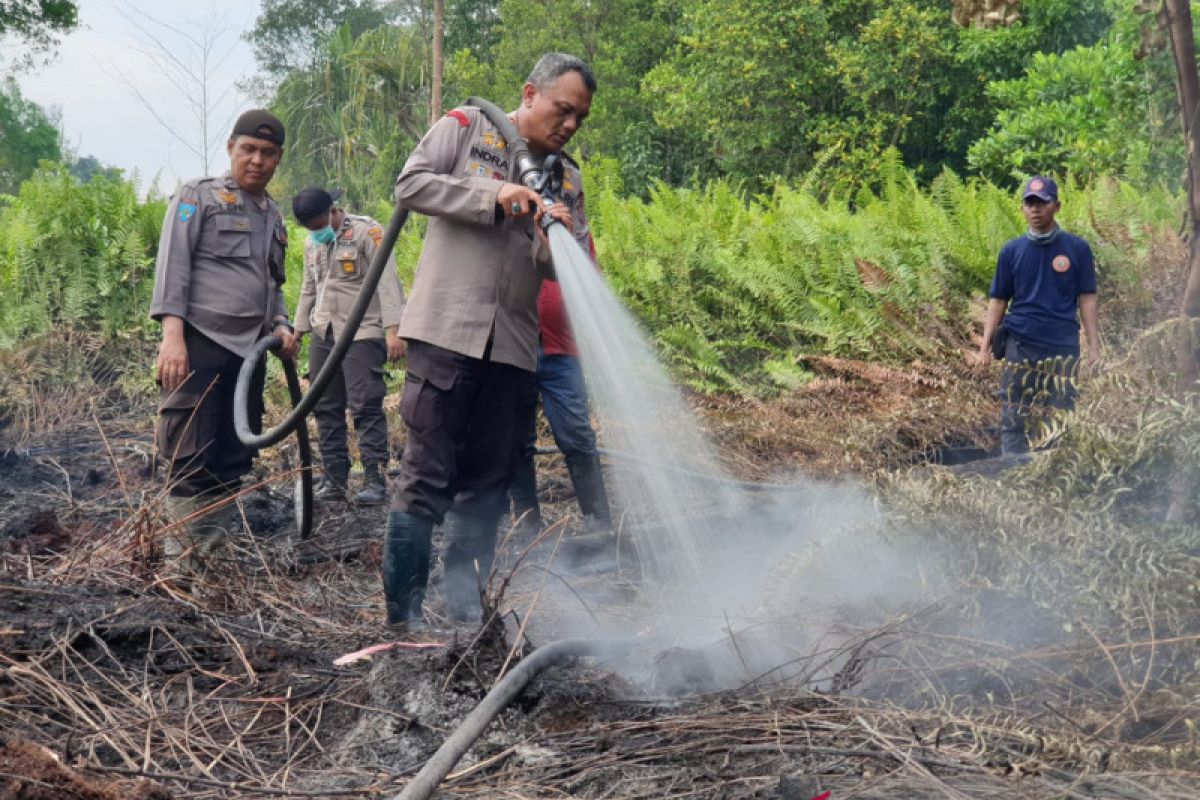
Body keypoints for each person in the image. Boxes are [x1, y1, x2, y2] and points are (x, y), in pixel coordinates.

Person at [383, 52, 596, 628]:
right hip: (448, 334)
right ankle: (403, 619)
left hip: (514, 348)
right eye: (562, 110)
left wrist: (552, 238)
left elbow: (561, 268)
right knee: (427, 473)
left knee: (489, 481)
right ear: (530, 94)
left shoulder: (567, 178)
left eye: (579, 117)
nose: (569, 124)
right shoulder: (465, 127)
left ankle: (464, 609)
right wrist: (491, 198)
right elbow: (410, 184)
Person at [151, 109, 299, 571]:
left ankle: (212, 565)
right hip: (201, 342)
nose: (257, 160)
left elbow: (273, 283)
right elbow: (173, 266)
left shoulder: (273, 215)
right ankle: (181, 566)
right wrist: (172, 337)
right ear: (231, 148)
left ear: (278, 158)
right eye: (248, 150)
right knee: (188, 454)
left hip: (249, 353)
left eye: (268, 153)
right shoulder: (199, 198)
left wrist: (281, 323)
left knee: (232, 456)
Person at [291, 187, 407, 505]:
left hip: (362, 331)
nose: (316, 232)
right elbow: (308, 287)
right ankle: (335, 478)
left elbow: (387, 280)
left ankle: (374, 478)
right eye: (310, 228)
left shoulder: (366, 232)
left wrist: (393, 330)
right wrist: (299, 330)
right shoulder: (312, 243)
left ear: (333, 210)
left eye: (319, 224)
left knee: (366, 403)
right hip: (324, 330)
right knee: (324, 405)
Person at [978, 176, 1100, 456]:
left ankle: (1054, 473)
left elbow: (1087, 299)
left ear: (1056, 206)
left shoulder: (1077, 249)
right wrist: (984, 348)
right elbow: (997, 301)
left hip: (1062, 345)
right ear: (1022, 208)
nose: (1035, 210)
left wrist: (1093, 347)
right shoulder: (1011, 251)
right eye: (1029, 203)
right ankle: (1012, 473)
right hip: (1019, 343)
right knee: (1013, 414)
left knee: (1061, 415)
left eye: (1042, 203)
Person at [509, 273, 612, 533]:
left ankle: (599, 523)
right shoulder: (507, 230)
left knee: (577, 435)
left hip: (561, 348)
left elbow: (587, 273)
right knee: (517, 438)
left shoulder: (571, 230)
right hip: (514, 347)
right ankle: (527, 526)